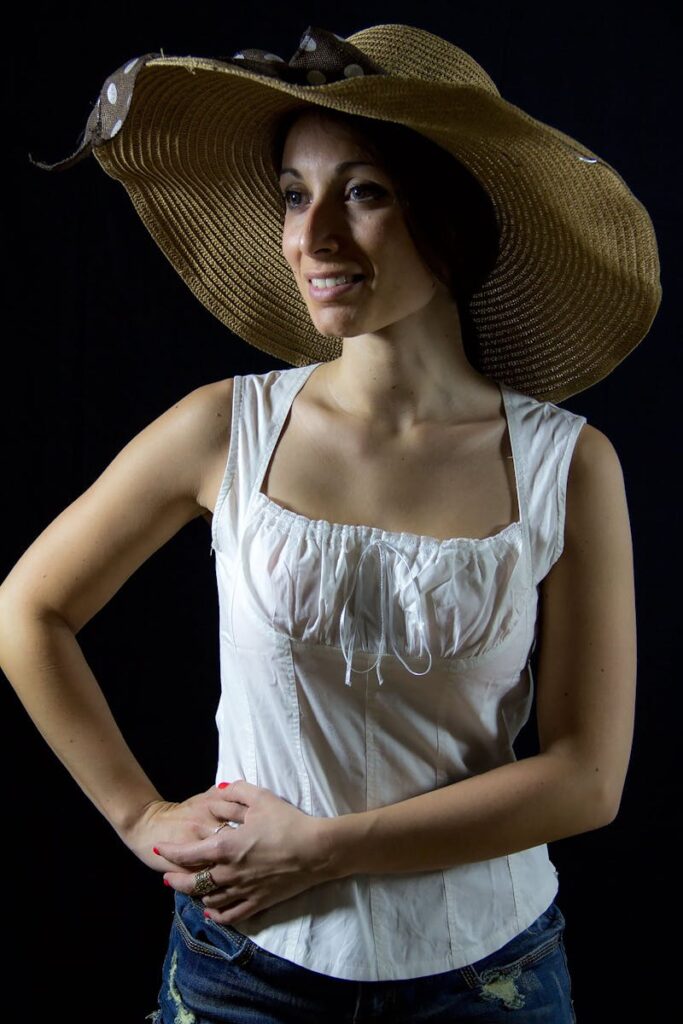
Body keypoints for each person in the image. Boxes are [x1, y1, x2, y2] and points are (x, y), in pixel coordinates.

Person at [3, 22, 661, 1024]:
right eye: (294, 196)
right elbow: (26, 610)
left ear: (444, 215)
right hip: (241, 971)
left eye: (362, 192)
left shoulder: (566, 465)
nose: (312, 239)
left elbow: (585, 779)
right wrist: (141, 815)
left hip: (486, 978)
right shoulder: (223, 428)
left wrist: (322, 847)